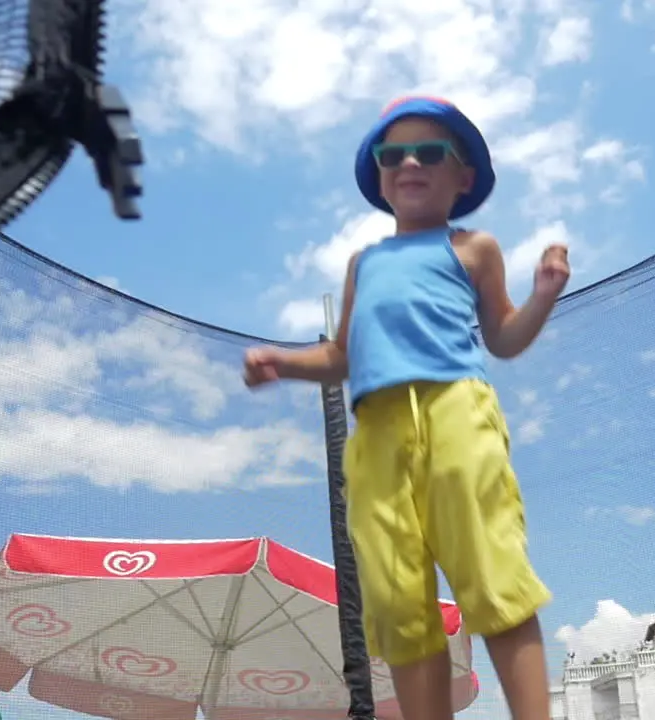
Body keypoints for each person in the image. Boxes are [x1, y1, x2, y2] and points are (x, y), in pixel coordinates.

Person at [242, 96, 567, 720]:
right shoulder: (365, 262)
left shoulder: (473, 248)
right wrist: (282, 363)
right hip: (376, 435)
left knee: (492, 574)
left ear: (462, 176)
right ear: (381, 177)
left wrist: (543, 296)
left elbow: (502, 337)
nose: (409, 162)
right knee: (396, 604)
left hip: (455, 415)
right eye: (393, 155)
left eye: (429, 151)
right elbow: (340, 356)